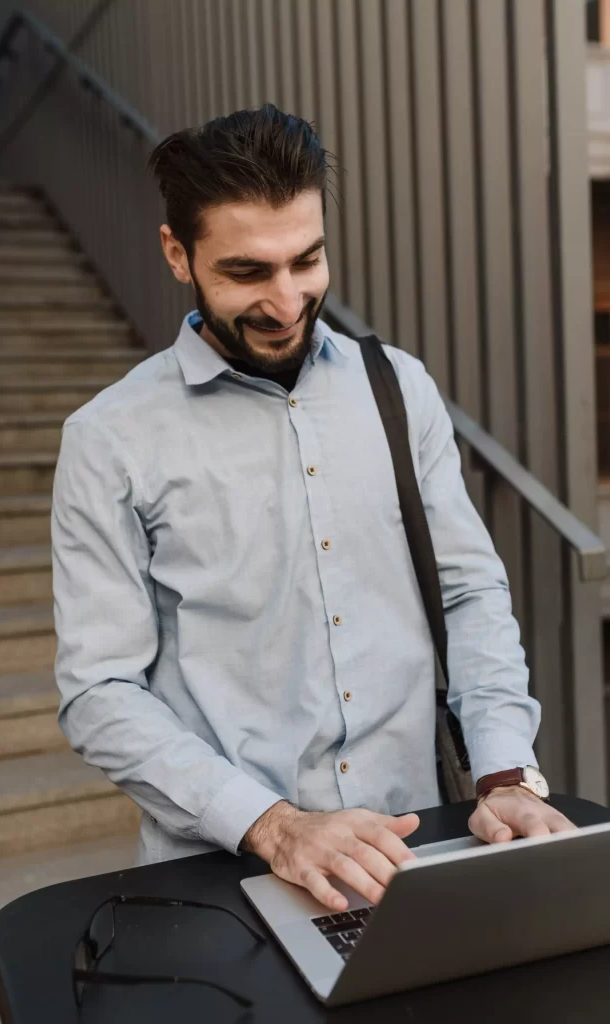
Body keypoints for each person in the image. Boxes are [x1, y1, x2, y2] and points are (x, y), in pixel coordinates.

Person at [51, 103, 575, 914]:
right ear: (177, 255)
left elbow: (469, 595)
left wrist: (504, 771)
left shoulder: (397, 387)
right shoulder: (108, 439)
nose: (288, 301)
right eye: (247, 272)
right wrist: (274, 825)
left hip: (418, 846)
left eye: (307, 260)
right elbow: (99, 691)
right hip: (223, 880)